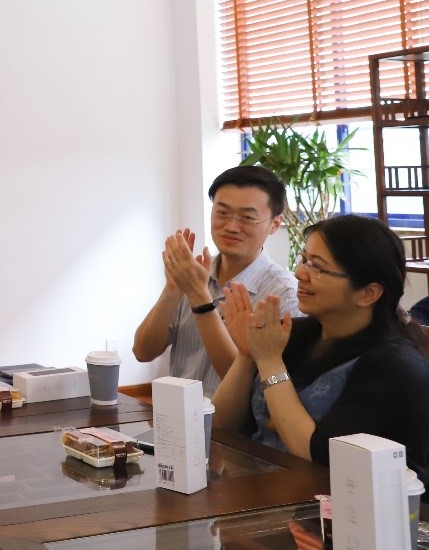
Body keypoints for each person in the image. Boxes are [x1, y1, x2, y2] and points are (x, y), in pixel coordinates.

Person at [212, 214, 429, 490]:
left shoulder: (396, 366)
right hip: (265, 489)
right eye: (304, 259)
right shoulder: (294, 334)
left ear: (368, 293)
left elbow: (314, 454)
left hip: (338, 504)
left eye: (318, 267)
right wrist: (247, 355)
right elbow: (221, 426)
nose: (299, 273)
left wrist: (269, 361)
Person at [132, 165, 299, 396]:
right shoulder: (195, 273)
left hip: (230, 420)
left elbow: (250, 387)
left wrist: (200, 298)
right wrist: (172, 290)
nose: (231, 226)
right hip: (175, 413)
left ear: (275, 224)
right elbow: (142, 351)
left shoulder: (283, 294)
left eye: (247, 217)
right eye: (222, 212)